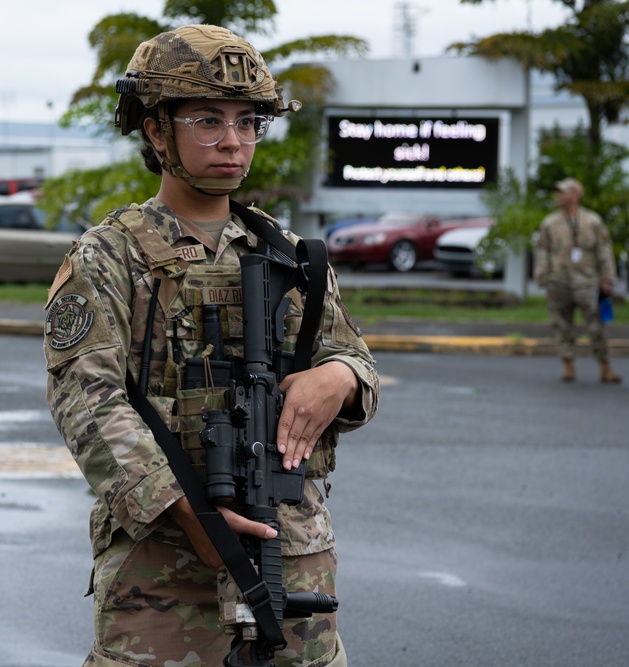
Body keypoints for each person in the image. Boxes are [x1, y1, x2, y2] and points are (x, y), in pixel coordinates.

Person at [43, 24, 379, 667]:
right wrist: (189, 512)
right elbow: (86, 401)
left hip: (291, 550)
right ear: (155, 130)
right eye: (206, 120)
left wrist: (337, 378)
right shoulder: (110, 256)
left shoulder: (287, 255)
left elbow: (354, 359)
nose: (232, 141)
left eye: (248, 121)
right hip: (165, 571)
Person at [533, 177, 621, 383]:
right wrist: (542, 274)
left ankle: (605, 366)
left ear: (576, 195)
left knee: (596, 325)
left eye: (564, 192)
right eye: (559, 192)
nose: (559, 196)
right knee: (562, 325)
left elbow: (604, 250)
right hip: (559, 281)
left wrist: (607, 278)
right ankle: (568, 365)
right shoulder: (550, 223)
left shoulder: (592, 221)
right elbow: (542, 250)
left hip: (587, 281)